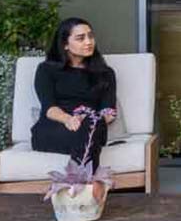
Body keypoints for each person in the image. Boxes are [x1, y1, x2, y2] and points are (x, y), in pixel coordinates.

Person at [31, 18, 118, 160]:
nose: (89, 42)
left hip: (91, 126)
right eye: (80, 38)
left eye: (90, 36)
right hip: (56, 126)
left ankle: (78, 179)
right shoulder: (46, 70)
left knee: (89, 130)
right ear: (65, 44)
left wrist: (90, 119)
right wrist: (69, 119)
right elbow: (49, 108)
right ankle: (87, 179)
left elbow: (109, 111)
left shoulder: (105, 73)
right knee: (86, 140)